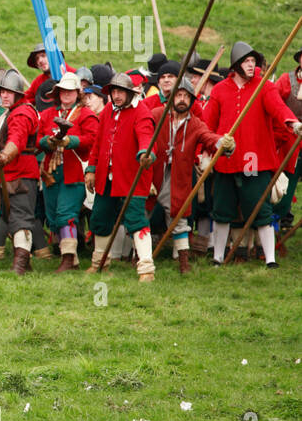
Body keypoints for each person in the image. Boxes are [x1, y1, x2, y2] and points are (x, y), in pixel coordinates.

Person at [200, 41, 302, 267]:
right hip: (226, 160)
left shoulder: (264, 86)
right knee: (222, 210)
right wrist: (211, 145)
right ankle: (218, 256)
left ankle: (270, 260)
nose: (251, 65)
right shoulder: (219, 90)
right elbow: (207, 124)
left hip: (255, 161)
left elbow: (278, 108)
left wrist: (292, 123)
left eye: (253, 61)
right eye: (246, 61)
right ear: (236, 64)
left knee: (260, 209)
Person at [84, 73, 158, 280]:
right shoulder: (108, 110)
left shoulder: (142, 113)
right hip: (105, 177)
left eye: (120, 92)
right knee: (100, 218)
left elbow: (146, 137)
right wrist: (91, 168)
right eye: (113, 91)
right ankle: (99, 263)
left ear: (129, 92)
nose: (116, 96)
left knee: (136, 220)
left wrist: (146, 153)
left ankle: (146, 268)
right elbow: (98, 142)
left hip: (130, 176)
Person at [148, 78, 226, 274]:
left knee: (180, 216)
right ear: (171, 97)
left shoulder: (196, 124)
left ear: (191, 100)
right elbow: (141, 132)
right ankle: (138, 256)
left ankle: (183, 262)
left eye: (186, 96)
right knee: (142, 213)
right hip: (152, 173)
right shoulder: (157, 115)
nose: (182, 99)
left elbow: (209, 138)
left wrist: (222, 143)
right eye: (178, 95)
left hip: (179, 177)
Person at [35, 72, 98, 271]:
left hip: (75, 172)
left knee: (65, 214)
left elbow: (93, 139)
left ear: (77, 93)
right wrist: (49, 141)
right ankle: (73, 261)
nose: (66, 94)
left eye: (70, 91)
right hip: (51, 174)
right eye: (63, 91)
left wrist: (71, 141)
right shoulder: (47, 115)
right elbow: (39, 140)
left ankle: (68, 258)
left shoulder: (86, 115)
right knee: (53, 216)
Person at [0, 70, 44, 274]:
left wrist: (5, 156)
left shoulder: (21, 113)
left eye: (9, 92)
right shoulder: (10, 112)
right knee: (13, 217)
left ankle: (20, 263)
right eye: (2, 91)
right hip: (9, 174)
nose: (4, 95)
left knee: (21, 218)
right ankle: (25, 262)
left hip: (20, 173)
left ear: (18, 94)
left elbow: (16, 140)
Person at [272, 48, 302, 244]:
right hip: (290, 142)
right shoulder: (285, 80)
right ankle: (273, 230)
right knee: (284, 188)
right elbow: (275, 106)